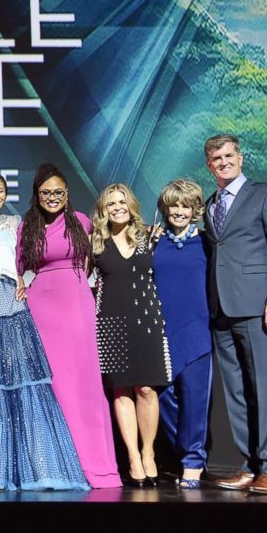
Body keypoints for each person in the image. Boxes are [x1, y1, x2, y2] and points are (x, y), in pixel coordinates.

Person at [0, 172, 88, 491]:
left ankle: (32, 469)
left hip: (12, 304)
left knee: (22, 385)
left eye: (0, 191)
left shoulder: (15, 223)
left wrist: (27, 281)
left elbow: (32, 259)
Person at [17, 164, 121, 488]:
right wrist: (18, 285)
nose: (52, 198)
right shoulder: (27, 226)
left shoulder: (82, 223)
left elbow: (97, 261)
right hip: (42, 311)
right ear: (37, 194)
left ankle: (93, 465)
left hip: (78, 309)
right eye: (45, 192)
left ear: (66, 194)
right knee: (54, 387)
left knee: (84, 387)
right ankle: (54, 465)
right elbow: (17, 267)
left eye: (57, 192)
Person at [202, 134, 267, 495]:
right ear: (209, 165)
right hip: (221, 309)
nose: (223, 162)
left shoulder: (266, 194)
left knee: (265, 389)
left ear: (240, 158)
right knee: (237, 392)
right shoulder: (211, 203)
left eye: (228, 155)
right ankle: (250, 465)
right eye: (215, 158)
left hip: (258, 307)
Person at [91, 183, 171, 487]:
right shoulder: (95, 243)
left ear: (131, 204)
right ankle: (133, 458)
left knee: (147, 390)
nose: (117, 207)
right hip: (110, 322)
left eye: (122, 202)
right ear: (104, 210)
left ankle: (149, 452)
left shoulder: (148, 237)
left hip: (147, 320)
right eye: (111, 203)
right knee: (121, 391)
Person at [152, 179, 212, 489]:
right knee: (163, 400)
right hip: (161, 333)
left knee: (196, 400)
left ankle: (193, 461)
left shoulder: (206, 242)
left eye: (185, 205)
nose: (179, 211)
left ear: (195, 210)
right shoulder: (154, 241)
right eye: (173, 205)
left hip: (196, 330)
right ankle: (184, 451)